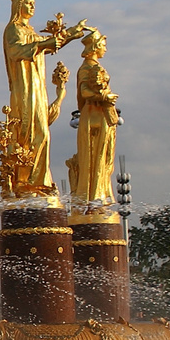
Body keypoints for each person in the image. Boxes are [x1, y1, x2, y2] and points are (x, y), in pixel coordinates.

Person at [1, 0, 87, 197]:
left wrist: (73, 33)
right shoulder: (13, 29)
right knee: (29, 132)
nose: (32, 7)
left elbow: (50, 44)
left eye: (34, 3)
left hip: (38, 88)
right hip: (25, 89)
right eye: (29, 3)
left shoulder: (29, 30)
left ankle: (39, 182)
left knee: (42, 133)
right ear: (18, 6)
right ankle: (24, 183)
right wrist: (43, 44)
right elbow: (16, 51)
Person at [65, 29, 120, 207]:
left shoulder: (95, 66)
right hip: (92, 114)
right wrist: (104, 97)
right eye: (103, 46)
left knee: (104, 156)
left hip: (103, 114)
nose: (105, 49)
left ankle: (102, 193)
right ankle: (92, 196)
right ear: (95, 47)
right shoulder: (86, 67)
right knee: (94, 155)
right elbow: (84, 92)